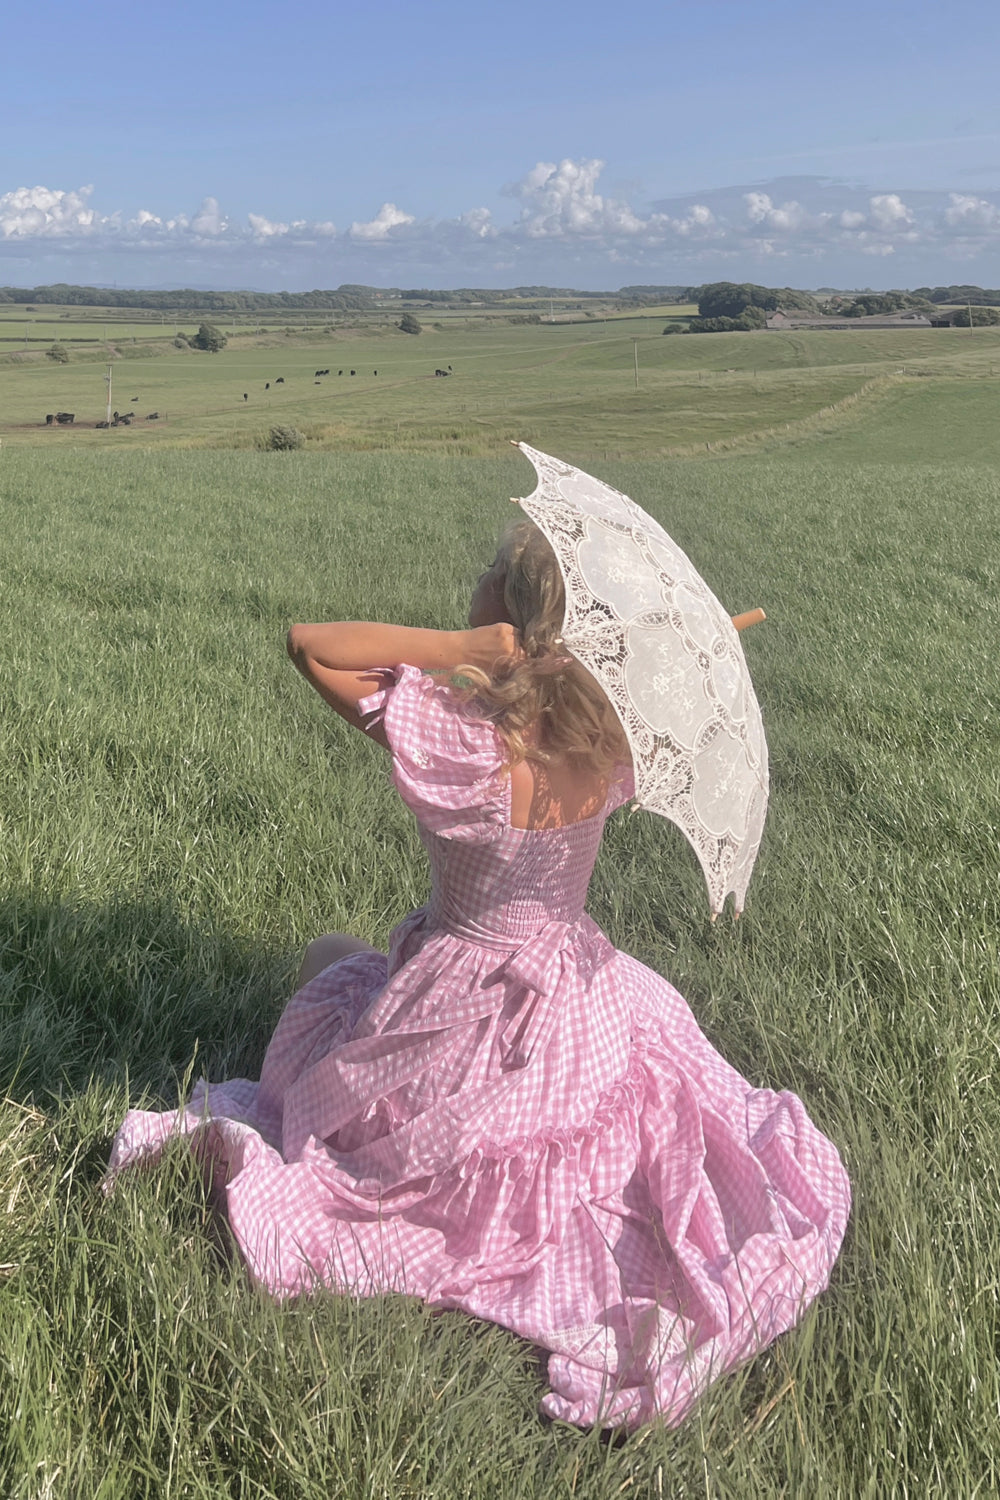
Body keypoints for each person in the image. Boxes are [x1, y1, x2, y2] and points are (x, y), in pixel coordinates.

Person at [108, 519, 850, 1429]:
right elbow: (623, 698)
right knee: (371, 977)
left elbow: (311, 646)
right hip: (573, 1007)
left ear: (507, 629)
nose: (473, 590)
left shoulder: (464, 753)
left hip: (452, 1011)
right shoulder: (607, 747)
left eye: (484, 587)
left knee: (326, 962)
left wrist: (456, 649)